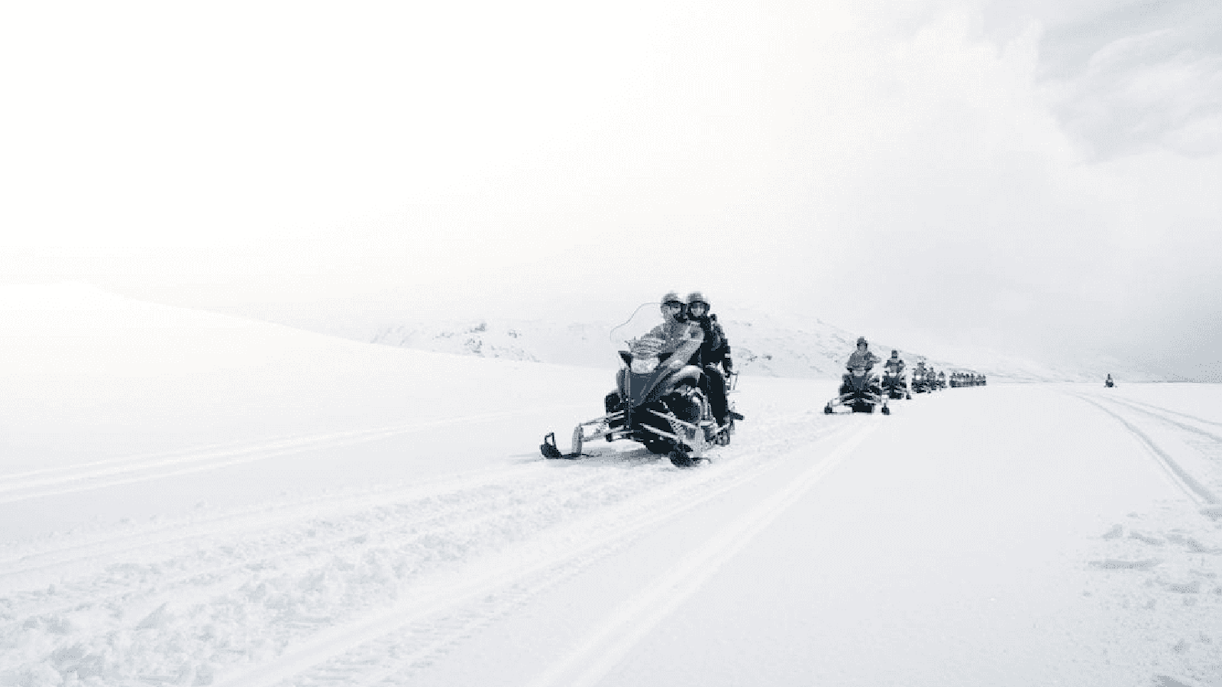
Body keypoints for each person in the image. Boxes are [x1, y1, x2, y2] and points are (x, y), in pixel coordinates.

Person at [684, 291, 734, 425]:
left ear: (706, 309)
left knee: (715, 378)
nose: (697, 310)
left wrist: (709, 331)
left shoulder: (712, 325)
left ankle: (722, 417)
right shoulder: (683, 324)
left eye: (701, 307)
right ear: (689, 308)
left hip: (706, 362)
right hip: (683, 361)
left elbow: (719, 345)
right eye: (694, 307)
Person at [645, 291, 704, 375]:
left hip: (687, 367)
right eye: (666, 308)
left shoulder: (694, 329)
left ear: (683, 309)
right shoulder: (660, 328)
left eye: (675, 307)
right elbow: (649, 341)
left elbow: (686, 351)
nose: (670, 311)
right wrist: (639, 346)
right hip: (661, 367)